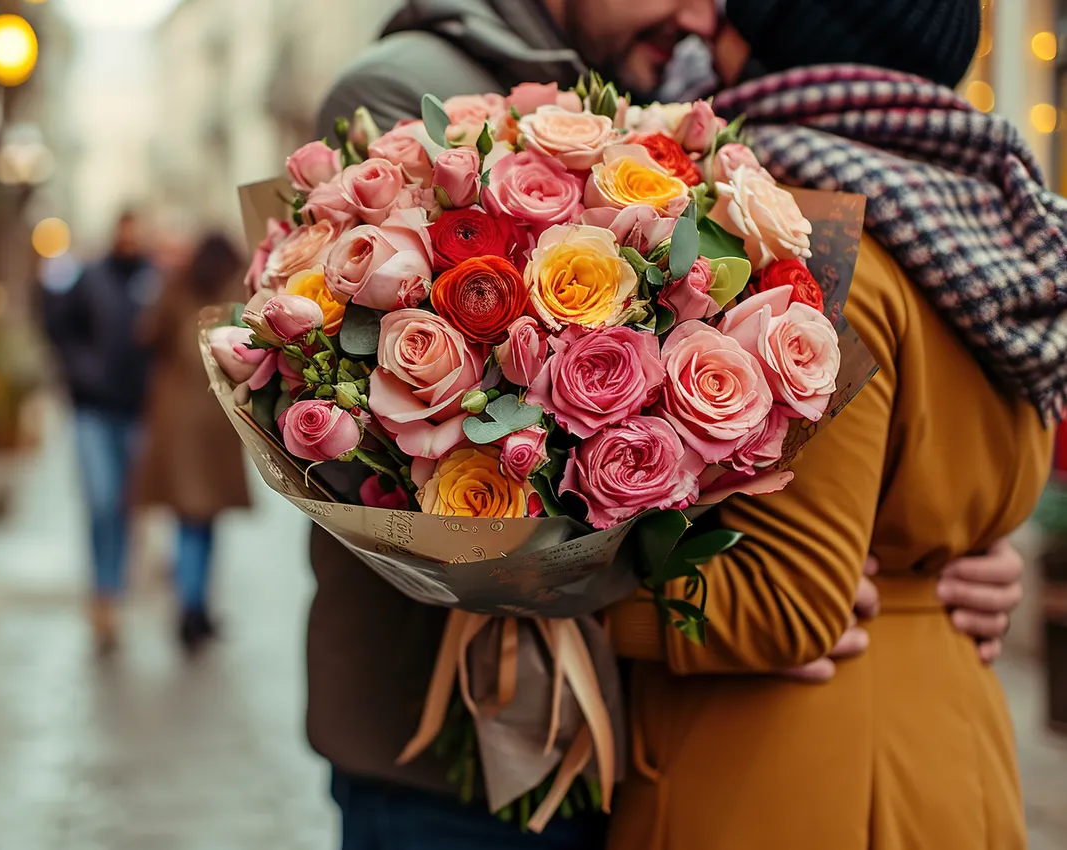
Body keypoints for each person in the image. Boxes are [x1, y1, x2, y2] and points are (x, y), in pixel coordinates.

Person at [309, 1, 1040, 847]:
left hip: (726, 751)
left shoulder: (779, 198)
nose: (703, 16)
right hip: (458, 757)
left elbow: (790, 573)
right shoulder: (413, 89)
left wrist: (949, 556)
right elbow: (373, 463)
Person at [604, 2, 1065, 847]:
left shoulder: (813, 235)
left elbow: (791, 603)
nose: (707, 20)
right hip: (950, 746)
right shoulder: (993, 227)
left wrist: (560, 606)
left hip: (789, 771)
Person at [131, 231, 251, 649]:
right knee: (206, 517)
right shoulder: (237, 290)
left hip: (176, 416)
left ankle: (191, 604)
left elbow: (148, 336)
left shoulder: (176, 286)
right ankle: (196, 605)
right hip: (217, 416)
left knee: (188, 517)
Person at [44, 210, 156, 654]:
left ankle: (114, 589)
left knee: (126, 505)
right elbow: (58, 327)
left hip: (138, 411)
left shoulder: (154, 281)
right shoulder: (90, 278)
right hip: (93, 410)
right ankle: (103, 592)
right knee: (100, 499)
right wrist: (79, 371)